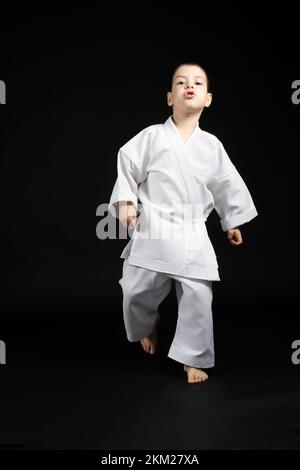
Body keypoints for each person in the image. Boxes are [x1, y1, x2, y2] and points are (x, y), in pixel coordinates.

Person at [109, 63, 258, 384]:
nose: (189, 86)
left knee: (198, 297)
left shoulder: (211, 145)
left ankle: (192, 358)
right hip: (156, 225)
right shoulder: (151, 137)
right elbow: (127, 165)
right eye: (180, 82)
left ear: (208, 99)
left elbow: (225, 183)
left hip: (192, 229)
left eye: (197, 83)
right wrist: (126, 204)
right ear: (169, 98)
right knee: (136, 291)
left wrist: (231, 221)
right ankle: (146, 325)